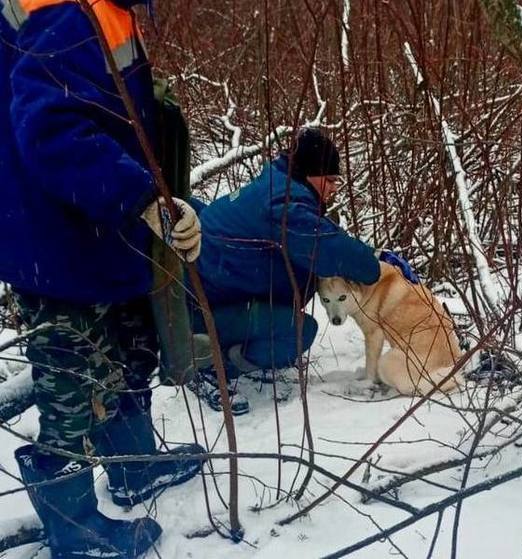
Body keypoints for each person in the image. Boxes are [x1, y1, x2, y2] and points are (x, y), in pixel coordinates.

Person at [1, 1, 204, 557]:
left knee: (132, 350)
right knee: (73, 387)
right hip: (57, 237)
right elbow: (50, 128)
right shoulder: (65, 11)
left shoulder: (110, 9)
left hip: (100, 225)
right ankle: (75, 531)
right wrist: (139, 197)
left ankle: (134, 467)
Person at [190, 128, 387, 414]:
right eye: (330, 180)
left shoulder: (276, 185)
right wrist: (375, 261)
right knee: (299, 333)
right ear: (310, 173)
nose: (334, 188)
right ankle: (208, 362)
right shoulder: (284, 206)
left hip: (210, 293)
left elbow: (322, 239)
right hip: (202, 310)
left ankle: (218, 341)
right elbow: (359, 265)